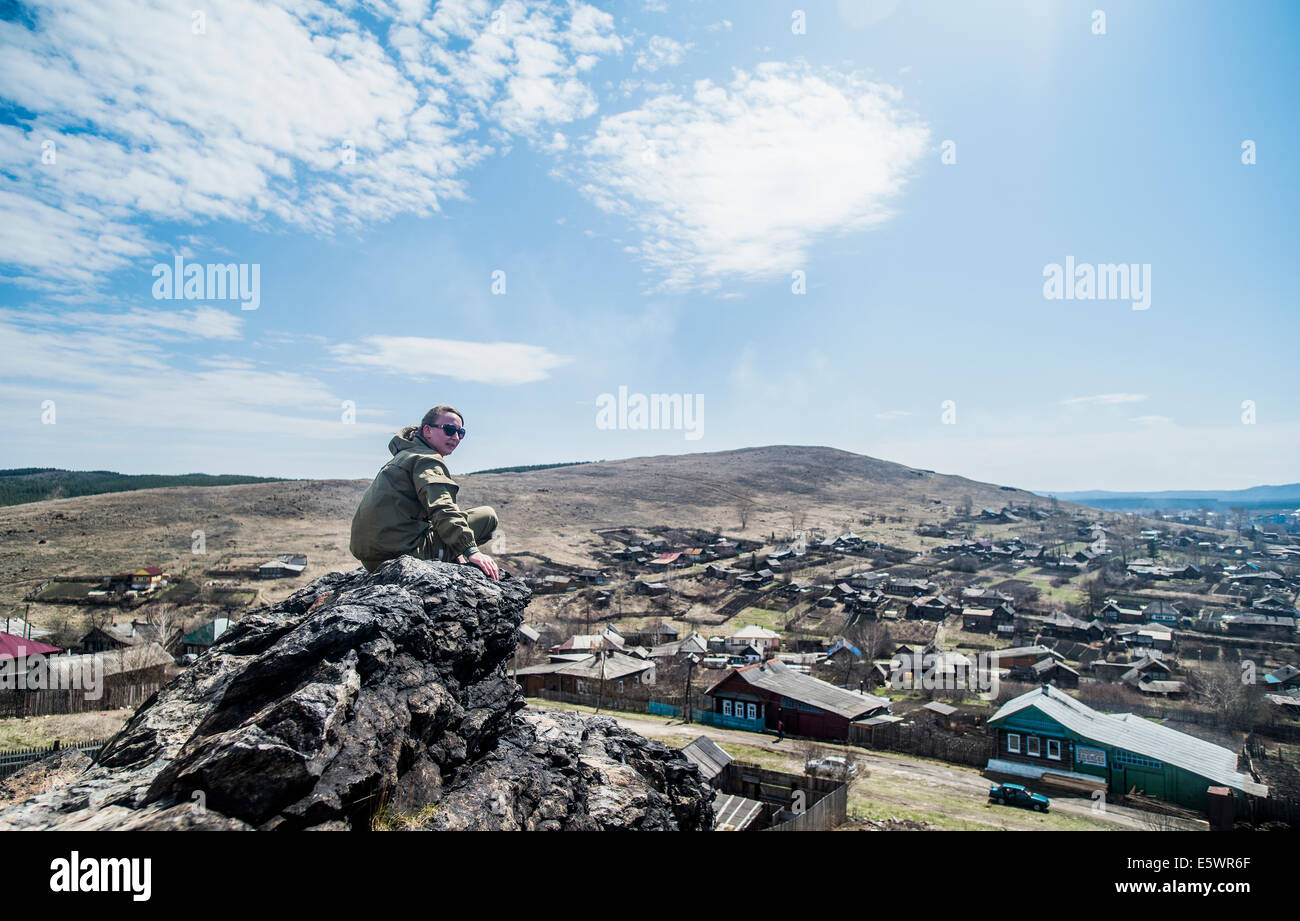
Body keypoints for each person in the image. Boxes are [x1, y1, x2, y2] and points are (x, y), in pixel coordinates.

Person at [350, 404, 500, 581]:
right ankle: (446, 555)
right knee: (487, 516)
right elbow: (442, 508)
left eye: (461, 433)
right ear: (427, 430)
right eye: (450, 430)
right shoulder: (426, 459)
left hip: (372, 559)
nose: (456, 437)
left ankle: (448, 553)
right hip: (400, 556)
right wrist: (470, 550)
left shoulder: (406, 455)